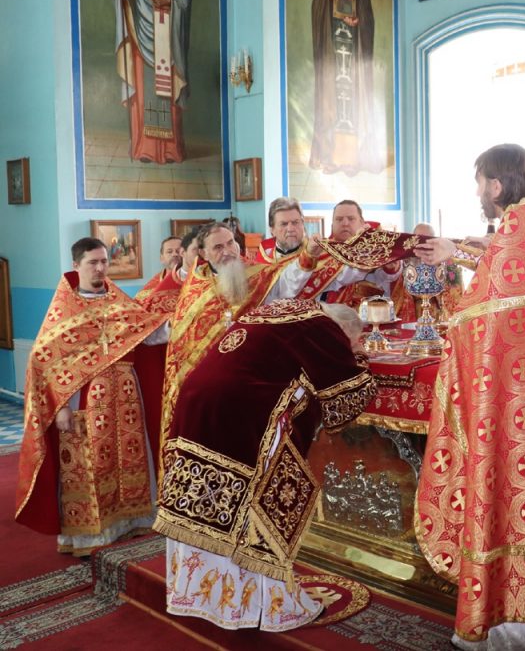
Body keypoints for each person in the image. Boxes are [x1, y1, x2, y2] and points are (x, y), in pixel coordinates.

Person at [413, 144, 525, 649]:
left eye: (479, 182)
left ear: (495, 185)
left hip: (511, 411)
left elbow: (475, 317)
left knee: (513, 504)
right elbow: (502, 263)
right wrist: (458, 249)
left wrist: (454, 275)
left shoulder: (521, 233)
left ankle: (518, 628)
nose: (477, 192)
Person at [154, 299, 376, 631]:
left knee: (206, 501)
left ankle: (200, 596)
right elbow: (348, 394)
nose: (352, 347)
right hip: (242, 417)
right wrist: (360, 359)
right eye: (354, 341)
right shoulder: (322, 326)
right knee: (255, 505)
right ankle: (264, 607)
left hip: (197, 405)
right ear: (342, 332)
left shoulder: (281, 311)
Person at [15, 238, 167, 555]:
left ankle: (130, 521)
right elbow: (45, 360)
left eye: (104, 261)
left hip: (126, 399)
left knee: (129, 460)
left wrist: (189, 319)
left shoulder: (119, 302)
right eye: (92, 262)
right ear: (76, 265)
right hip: (84, 402)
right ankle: (90, 535)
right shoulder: (65, 309)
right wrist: (59, 407)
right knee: (91, 467)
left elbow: (149, 333)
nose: (100, 268)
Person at [159, 223, 323, 473]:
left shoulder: (257, 275)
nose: (227, 251)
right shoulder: (195, 287)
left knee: (245, 449)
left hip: (247, 380)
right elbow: (183, 341)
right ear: (203, 253)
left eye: (230, 243)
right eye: (218, 247)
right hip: (206, 388)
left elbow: (288, 283)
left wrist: (308, 254)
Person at [112, 0, 191, 163]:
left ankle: (170, 150)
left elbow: (184, 0)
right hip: (140, 34)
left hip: (168, 36)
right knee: (142, 91)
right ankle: (144, 148)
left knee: (167, 94)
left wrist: (170, 2)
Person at [310, 0, 383, 176]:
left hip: (353, 53)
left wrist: (358, 20)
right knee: (331, 101)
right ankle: (331, 157)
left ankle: (352, 159)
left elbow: (368, 19)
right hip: (332, 52)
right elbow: (316, 9)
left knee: (354, 104)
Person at [316, 200, 402, 307]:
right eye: (339, 219)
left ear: (362, 223)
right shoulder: (320, 252)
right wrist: (363, 258)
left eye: (351, 218)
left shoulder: (376, 246)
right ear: (332, 225)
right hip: (331, 314)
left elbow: (386, 281)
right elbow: (340, 279)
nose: (345, 223)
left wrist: (390, 268)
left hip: (370, 313)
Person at [257, 197, 306, 264]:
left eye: (295, 222)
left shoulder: (316, 255)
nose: (290, 229)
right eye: (284, 224)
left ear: (303, 224)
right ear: (272, 230)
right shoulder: (263, 258)